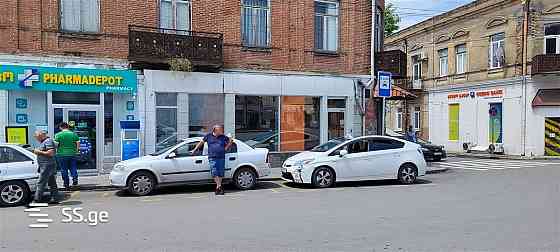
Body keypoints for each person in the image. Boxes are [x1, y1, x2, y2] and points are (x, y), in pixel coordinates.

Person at [191, 125, 233, 195]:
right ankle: (219, 186)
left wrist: (226, 147)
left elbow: (230, 141)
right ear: (215, 130)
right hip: (212, 157)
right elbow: (201, 143)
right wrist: (194, 150)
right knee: (214, 172)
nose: (221, 131)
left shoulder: (223, 137)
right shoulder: (208, 136)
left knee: (220, 172)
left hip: (221, 157)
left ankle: (218, 188)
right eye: (220, 130)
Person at [32, 130, 59, 204]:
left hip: (47, 166)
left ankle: (36, 199)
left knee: (41, 182)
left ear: (41, 135)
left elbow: (50, 153)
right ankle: (55, 198)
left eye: (37, 137)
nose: (36, 139)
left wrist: (38, 152)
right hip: (46, 165)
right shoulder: (45, 141)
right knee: (52, 182)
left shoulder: (48, 141)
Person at [54, 122, 80, 188]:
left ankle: (66, 183)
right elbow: (78, 143)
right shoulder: (74, 134)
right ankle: (75, 179)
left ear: (60, 127)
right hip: (72, 154)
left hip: (61, 154)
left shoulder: (58, 135)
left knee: (64, 169)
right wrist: (76, 151)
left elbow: (56, 145)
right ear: (67, 127)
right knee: (73, 167)